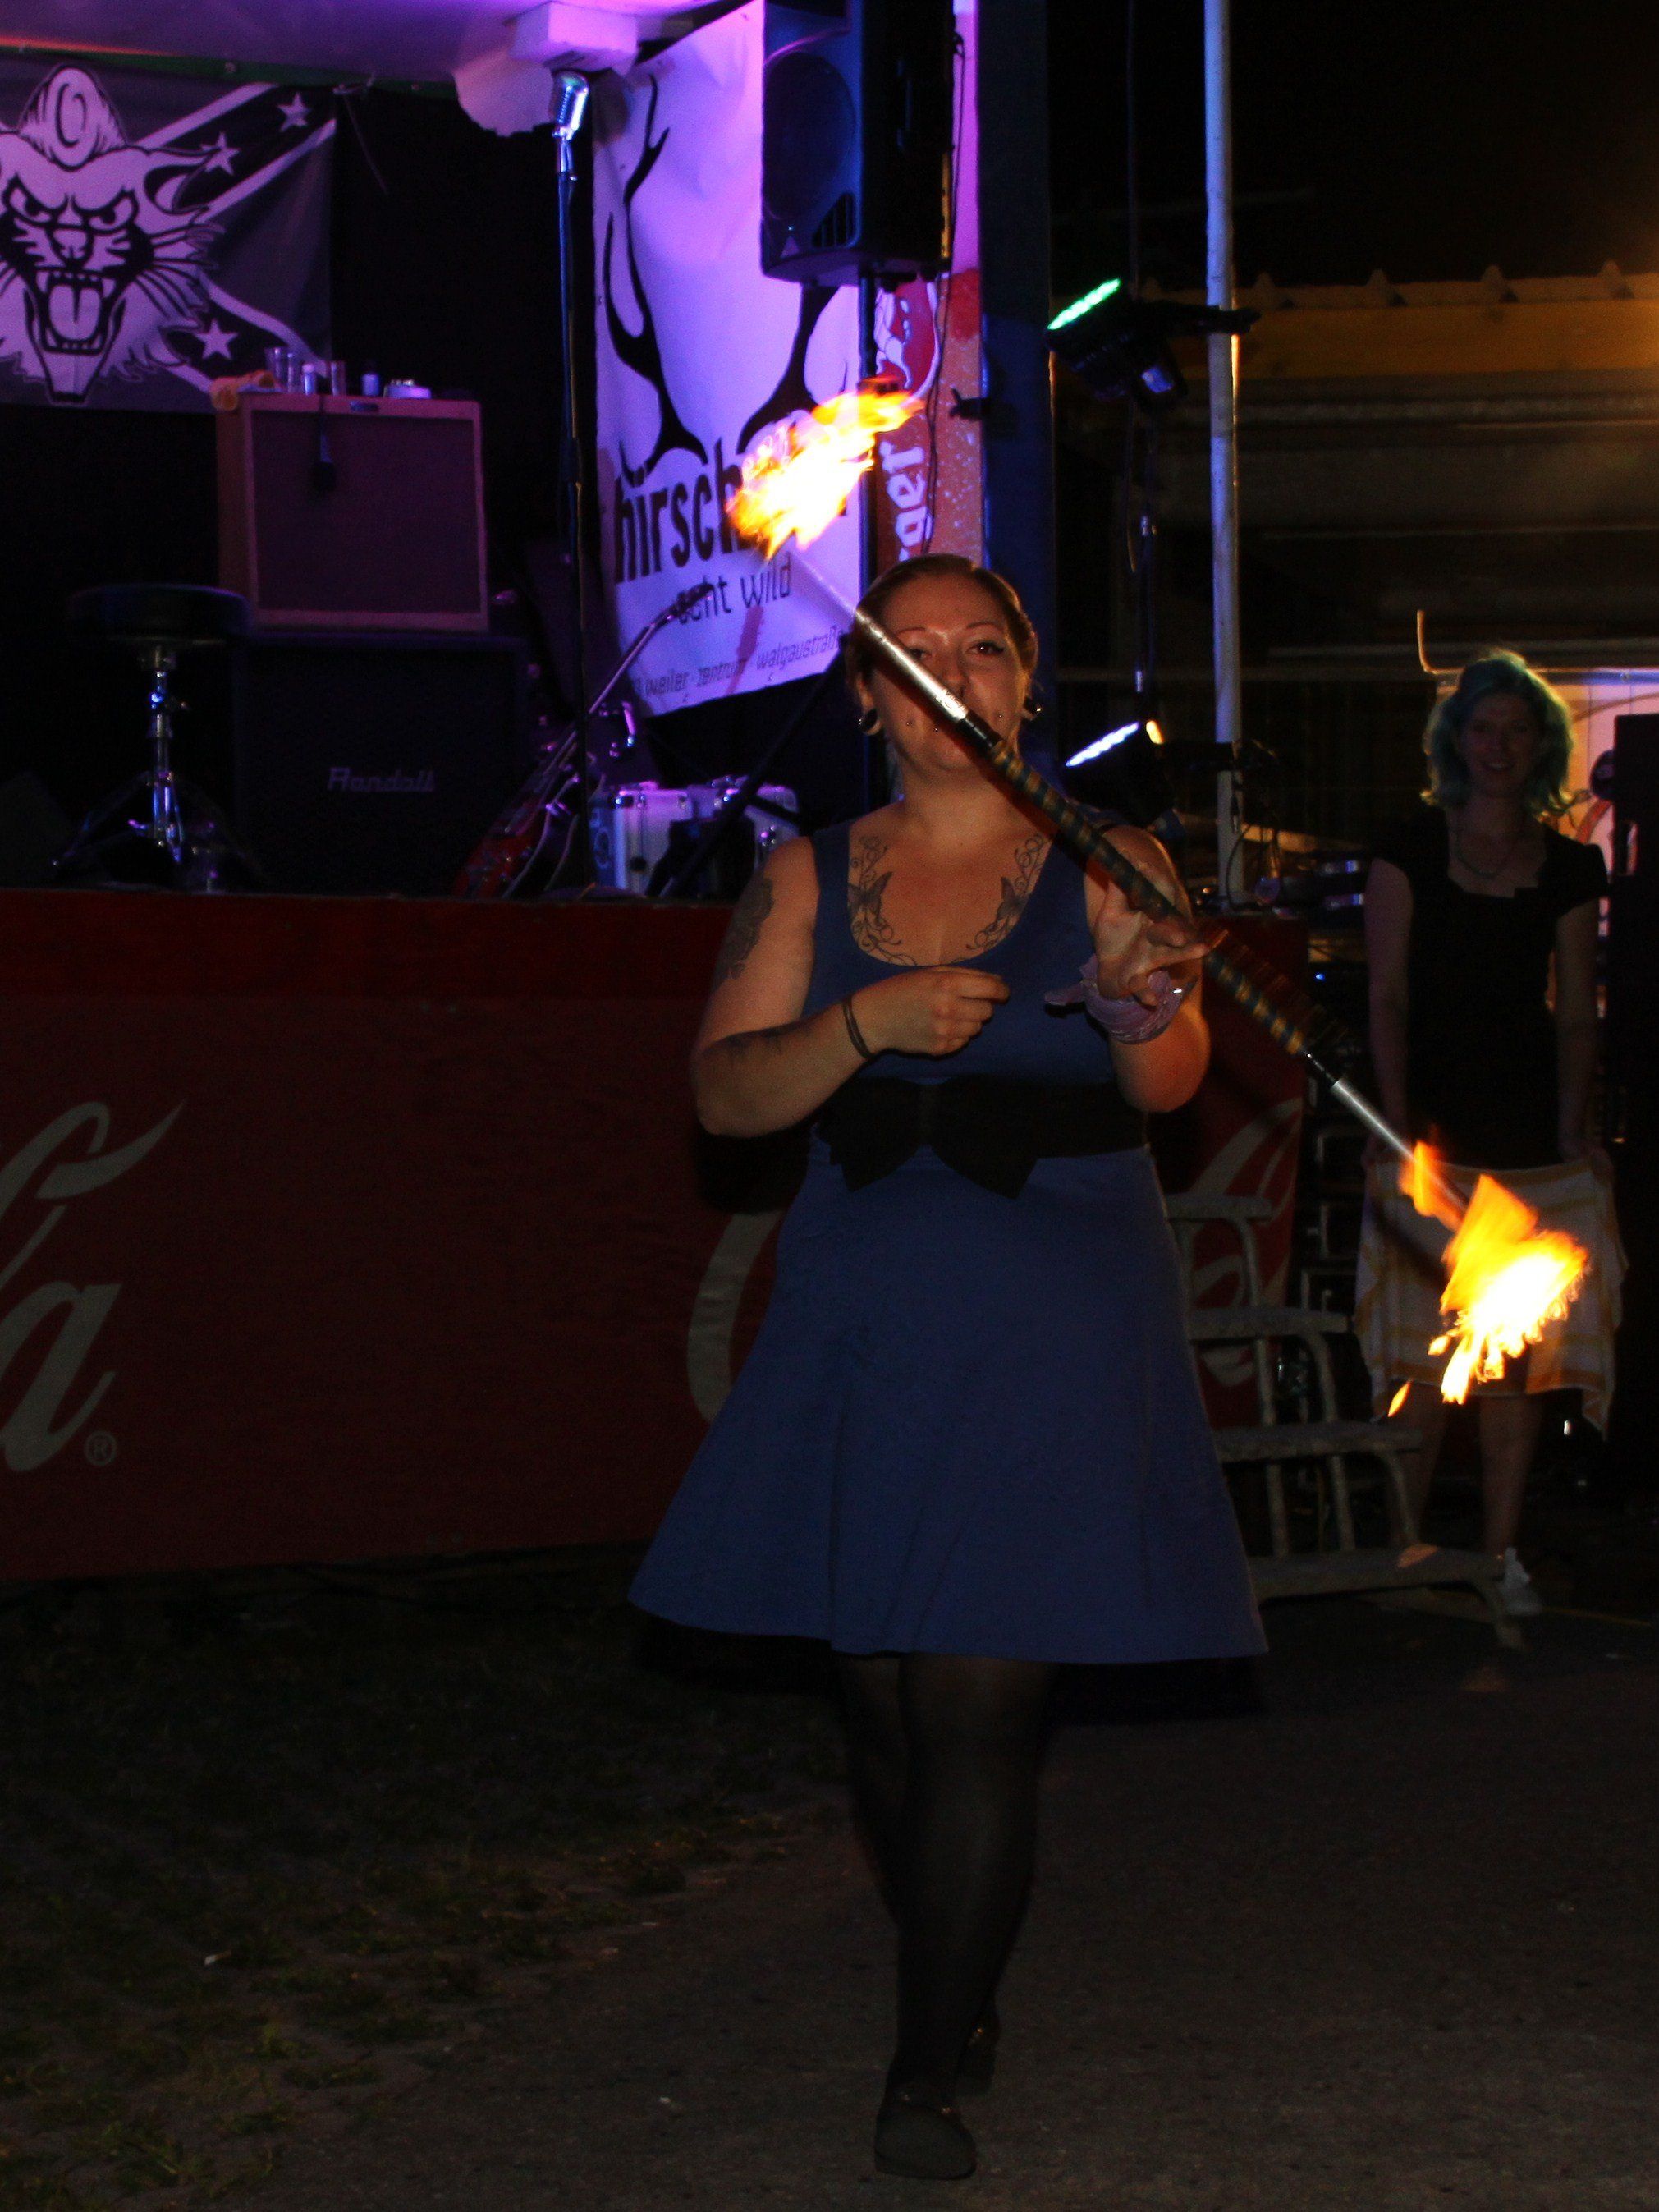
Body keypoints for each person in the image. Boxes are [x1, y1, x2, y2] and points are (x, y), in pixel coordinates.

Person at [631, 554, 1264, 2182]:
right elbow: (724, 1097)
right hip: (866, 1310)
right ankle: (953, 1963)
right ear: (866, 697)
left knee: (979, 1689)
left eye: (982, 647)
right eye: (912, 652)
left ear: (1023, 683)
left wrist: (1132, 999)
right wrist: (868, 1024)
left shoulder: (1114, 855)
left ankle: (924, 2064)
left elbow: (1169, 1080)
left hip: (1056, 1308)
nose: (950, 673)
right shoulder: (799, 877)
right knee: (879, 1698)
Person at [1360, 650, 1614, 1616]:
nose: (1498, 746)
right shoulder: (1407, 848)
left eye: (1515, 730)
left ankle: (1495, 1557)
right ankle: (1400, 1555)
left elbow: (1575, 1012)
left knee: (1516, 1365)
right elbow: (1385, 996)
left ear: (1538, 744)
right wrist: (1390, 1122)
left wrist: (1573, 1127)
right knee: (1417, 1358)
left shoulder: (1568, 864)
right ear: (1455, 741)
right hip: (1429, 1129)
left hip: (1525, 1135)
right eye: (1482, 729)